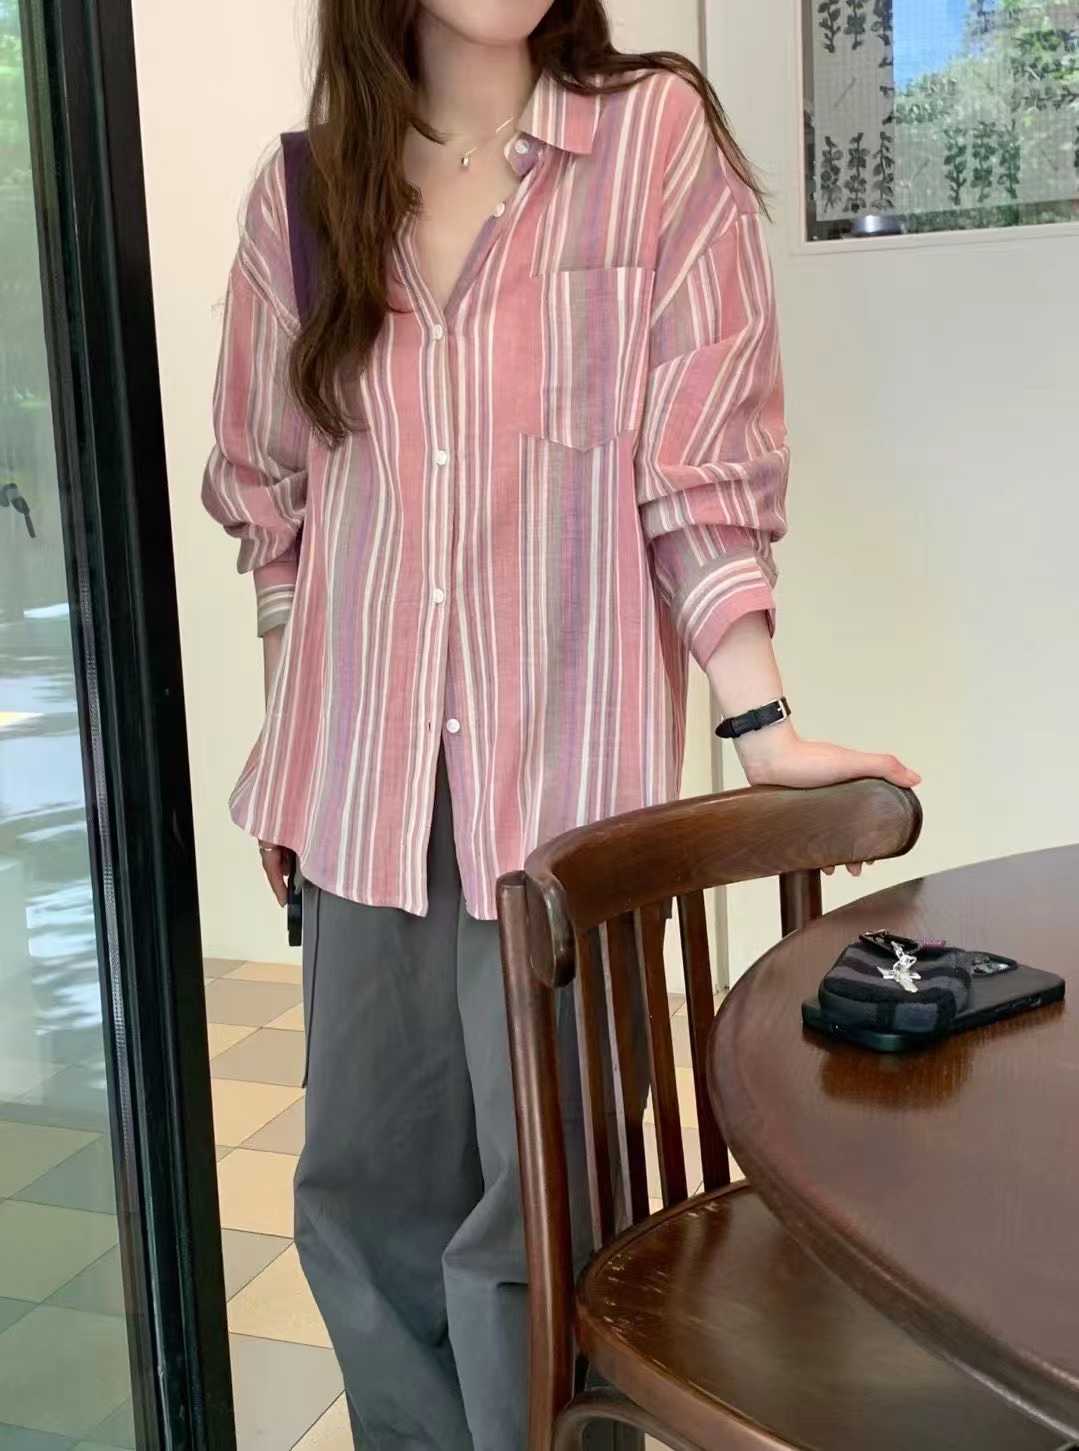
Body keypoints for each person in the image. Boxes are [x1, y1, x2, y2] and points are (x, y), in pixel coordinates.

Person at [202, 2, 922, 1446]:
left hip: (567, 815)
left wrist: (763, 724)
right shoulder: (306, 197)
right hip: (357, 794)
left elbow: (698, 478)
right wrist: (289, 744)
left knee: (543, 1221)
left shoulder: (654, 147)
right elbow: (274, 506)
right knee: (363, 1207)